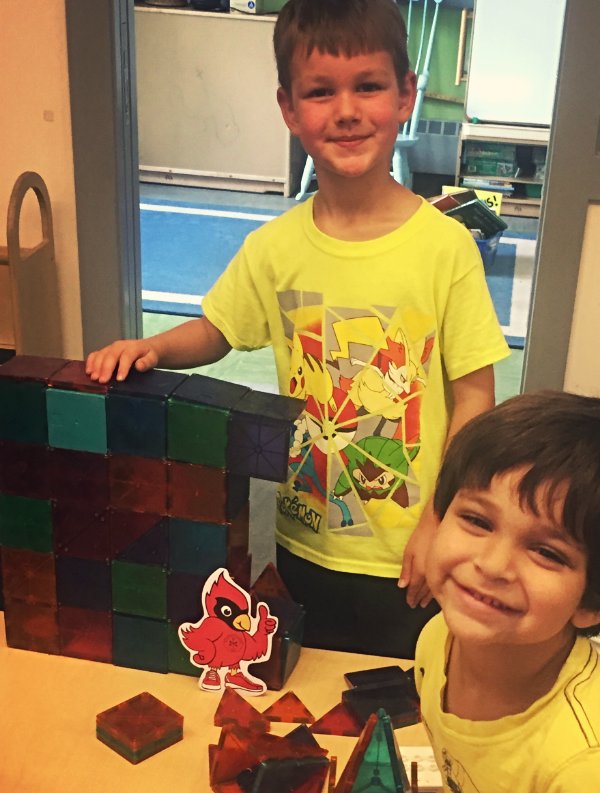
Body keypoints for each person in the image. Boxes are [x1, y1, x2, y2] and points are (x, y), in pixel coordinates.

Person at [86, 0, 509, 658]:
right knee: (307, 701)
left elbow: (476, 398)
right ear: (289, 108)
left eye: (368, 86)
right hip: (303, 537)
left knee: (398, 718)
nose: (345, 110)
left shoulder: (444, 248)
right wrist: (152, 347)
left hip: (412, 554)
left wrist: (443, 516)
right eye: (321, 91)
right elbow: (219, 329)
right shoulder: (275, 247)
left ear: (405, 96)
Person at [415, 391, 600, 792]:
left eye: (546, 552)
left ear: (597, 604)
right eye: (477, 520)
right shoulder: (438, 639)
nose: (491, 564)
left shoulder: (593, 770)